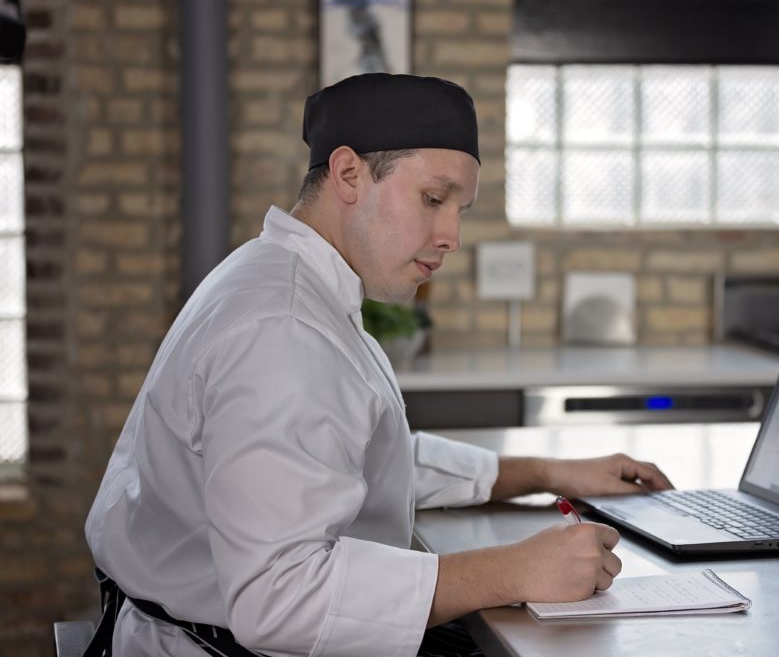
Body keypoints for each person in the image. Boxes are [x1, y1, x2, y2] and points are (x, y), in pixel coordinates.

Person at [83, 73, 673, 657]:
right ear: (348, 175)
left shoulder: (286, 280)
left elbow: (353, 462)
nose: (451, 236)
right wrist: (511, 570)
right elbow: (280, 599)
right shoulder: (282, 330)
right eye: (433, 199)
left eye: (459, 209)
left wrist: (548, 473)